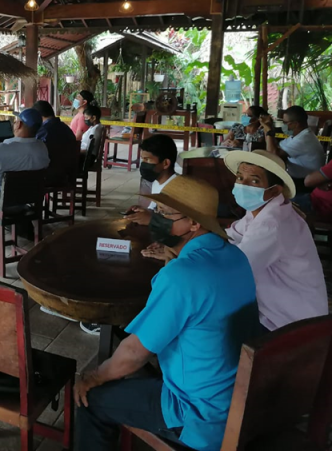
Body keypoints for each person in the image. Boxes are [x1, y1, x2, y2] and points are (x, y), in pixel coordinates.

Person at [75, 176, 259, 451]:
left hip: (199, 414)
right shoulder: (236, 256)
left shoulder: (182, 276)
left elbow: (135, 353)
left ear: (194, 224)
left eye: (164, 214)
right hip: (239, 395)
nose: (155, 219)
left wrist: (93, 378)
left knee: (92, 400)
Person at [223, 150, 328, 332]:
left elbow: (237, 268)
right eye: (240, 177)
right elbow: (231, 235)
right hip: (282, 310)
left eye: (254, 181)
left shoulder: (271, 223)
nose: (243, 185)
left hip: (291, 323)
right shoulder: (261, 210)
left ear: (275, 190)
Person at [0, 108, 50, 215]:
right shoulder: (42, 148)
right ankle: (20, 226)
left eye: (16, 121)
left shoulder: (0, 150)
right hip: (27, 201)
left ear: (19, 125)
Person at [262, 105, 325, 193]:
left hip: (305, 184)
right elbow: (275, 147)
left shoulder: (303, 139)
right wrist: (268, 129)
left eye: (285, 122)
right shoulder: (298, 136)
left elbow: (273, 154)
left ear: (296, 124)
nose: (283, 125)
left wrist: (268, 131)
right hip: (299, 178)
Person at [126, 134, 179, 224]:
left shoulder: (176, 188)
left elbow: (177, 223)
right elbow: (154, 210)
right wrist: (144, 211)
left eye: (147, 159)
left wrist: (151, 220)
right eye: (143, 159)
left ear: (165, 163)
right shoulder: (156, 182)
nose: (143, 164)